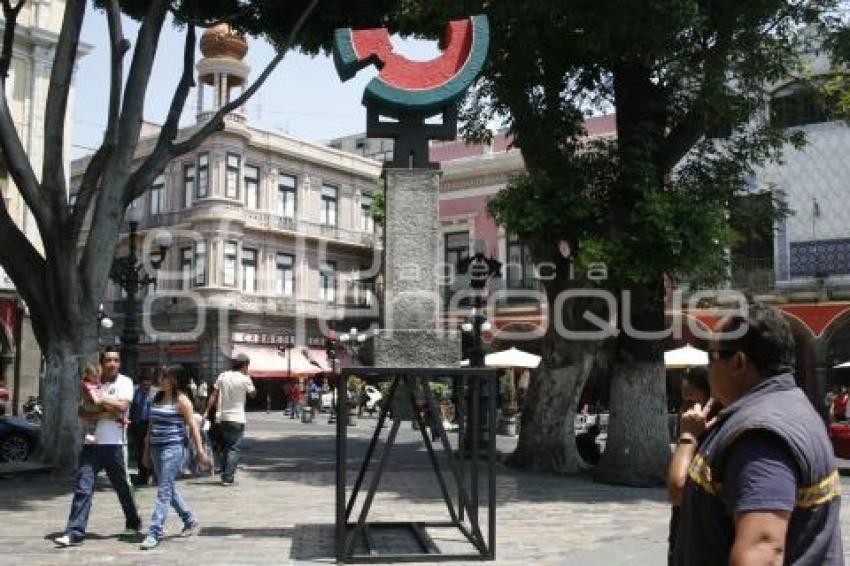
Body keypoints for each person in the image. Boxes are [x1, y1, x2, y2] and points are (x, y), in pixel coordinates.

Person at [673, 304, 843, 565]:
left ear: (739, 362)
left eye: (712, 357)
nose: (709, 370)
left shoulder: (760, 434)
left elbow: (762, 552)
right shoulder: (787, 405)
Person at [55, 346, 141, 547]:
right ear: (102, 363)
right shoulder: (93, 381)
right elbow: (83, 413)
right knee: (83, 487)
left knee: (123, 488)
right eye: (108, 360)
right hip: (91, 445)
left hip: (116, 445)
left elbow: (122, 408)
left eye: (116, 360)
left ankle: (133, 522)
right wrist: (106, 411)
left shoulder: (125, 382)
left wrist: (101, 400)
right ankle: (74, 531)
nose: (112, 364)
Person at [140, 364, 210, 550]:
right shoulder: (157, 397)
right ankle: (189, 519)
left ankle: (154, 531)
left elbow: (193, 427)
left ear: (174, 380)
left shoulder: (182, 401)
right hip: (156, 447)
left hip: (174, 447)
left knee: (163, 490)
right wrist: (146, 451)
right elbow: (150, 427)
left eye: (163, 376)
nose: (159, 379)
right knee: (168, 487)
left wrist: (200, 451)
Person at [666, 365, 712, 565]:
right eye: (683, 403)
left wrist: (688, 437)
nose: (685, 411)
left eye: (691, 402)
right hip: (681, 527)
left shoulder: (714, 430)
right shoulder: (688, 421)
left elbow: (677, 490)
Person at [203, 353, 255, 486]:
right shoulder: (245, 379)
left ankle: (224, 473)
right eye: (247, 366)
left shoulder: (223, 376)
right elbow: (253, 394)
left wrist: (207, 411)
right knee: (233, 448)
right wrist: (249, 383)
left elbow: (214, 394)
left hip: (222, 418)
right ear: (244, 365)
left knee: (226, 446)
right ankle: (228, 477)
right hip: (237, 418)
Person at [129, 374, 155, 486]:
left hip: (151, 425)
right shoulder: (134, 392)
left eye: (148, 383)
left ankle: (153, 474)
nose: (146, 386)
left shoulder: (155, 393)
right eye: (144, 384)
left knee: (151, 450)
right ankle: (142, 474)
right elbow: (131, 408)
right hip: (138, 425)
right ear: (140, 383)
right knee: (140, 451)